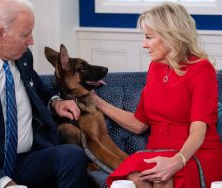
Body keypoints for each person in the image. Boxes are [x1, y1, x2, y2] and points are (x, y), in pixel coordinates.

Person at [0, 0, 90, 187]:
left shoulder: (22, 56)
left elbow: (39, 87)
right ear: (0, 33)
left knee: (71, 156)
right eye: (25, 35)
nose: (32, 41)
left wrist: (56, 102)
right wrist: (5, 183)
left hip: (25, 160)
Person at [91, 2, 222, 188]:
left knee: (162, 178)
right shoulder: (155, 67)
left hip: (194, 152)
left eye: (149, 37)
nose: (144, 45)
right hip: (158, 149)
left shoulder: (202, 69)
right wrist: (94, 100)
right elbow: (138, 124)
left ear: (171, 37)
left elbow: (198, 131)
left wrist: (176, 161)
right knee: (134, 177)